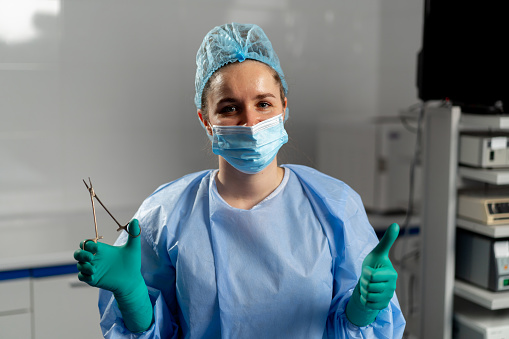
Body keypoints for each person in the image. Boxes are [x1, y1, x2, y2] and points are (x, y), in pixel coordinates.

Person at [74, 23, 406, 338]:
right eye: (230, 108)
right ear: (206, 120)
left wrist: (362, 310)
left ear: (284, 107)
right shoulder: (164, 215)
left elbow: (356, 329)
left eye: (263, 103)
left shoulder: (334, 205)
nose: (250, 122)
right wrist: (132, 296)